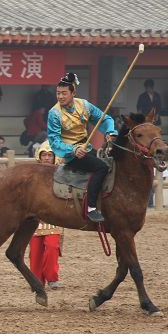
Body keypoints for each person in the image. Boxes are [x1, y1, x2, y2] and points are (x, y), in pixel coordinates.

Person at [47, 72, 117, 223]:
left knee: (110, 162)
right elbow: (54, 141)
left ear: (73, 93)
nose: (60, 97)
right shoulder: (54, 113)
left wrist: (110, 131)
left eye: (64, 93)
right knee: (102, 168)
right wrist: (72, 150)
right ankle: (91, 207)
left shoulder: (84, 105)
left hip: (85, 148)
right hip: (70, 154)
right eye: (58, 93)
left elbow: (104, 119)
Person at [29, 140, 64, 289]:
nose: (47, 158)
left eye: (50, 155)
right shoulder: (32, 175)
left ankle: (52, 278)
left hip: (54, 218)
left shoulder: (62, 174)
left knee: (51, 247)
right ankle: (36, 281)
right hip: (35, 218)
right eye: (44, 155)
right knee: (35, 252)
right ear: (39, 156)